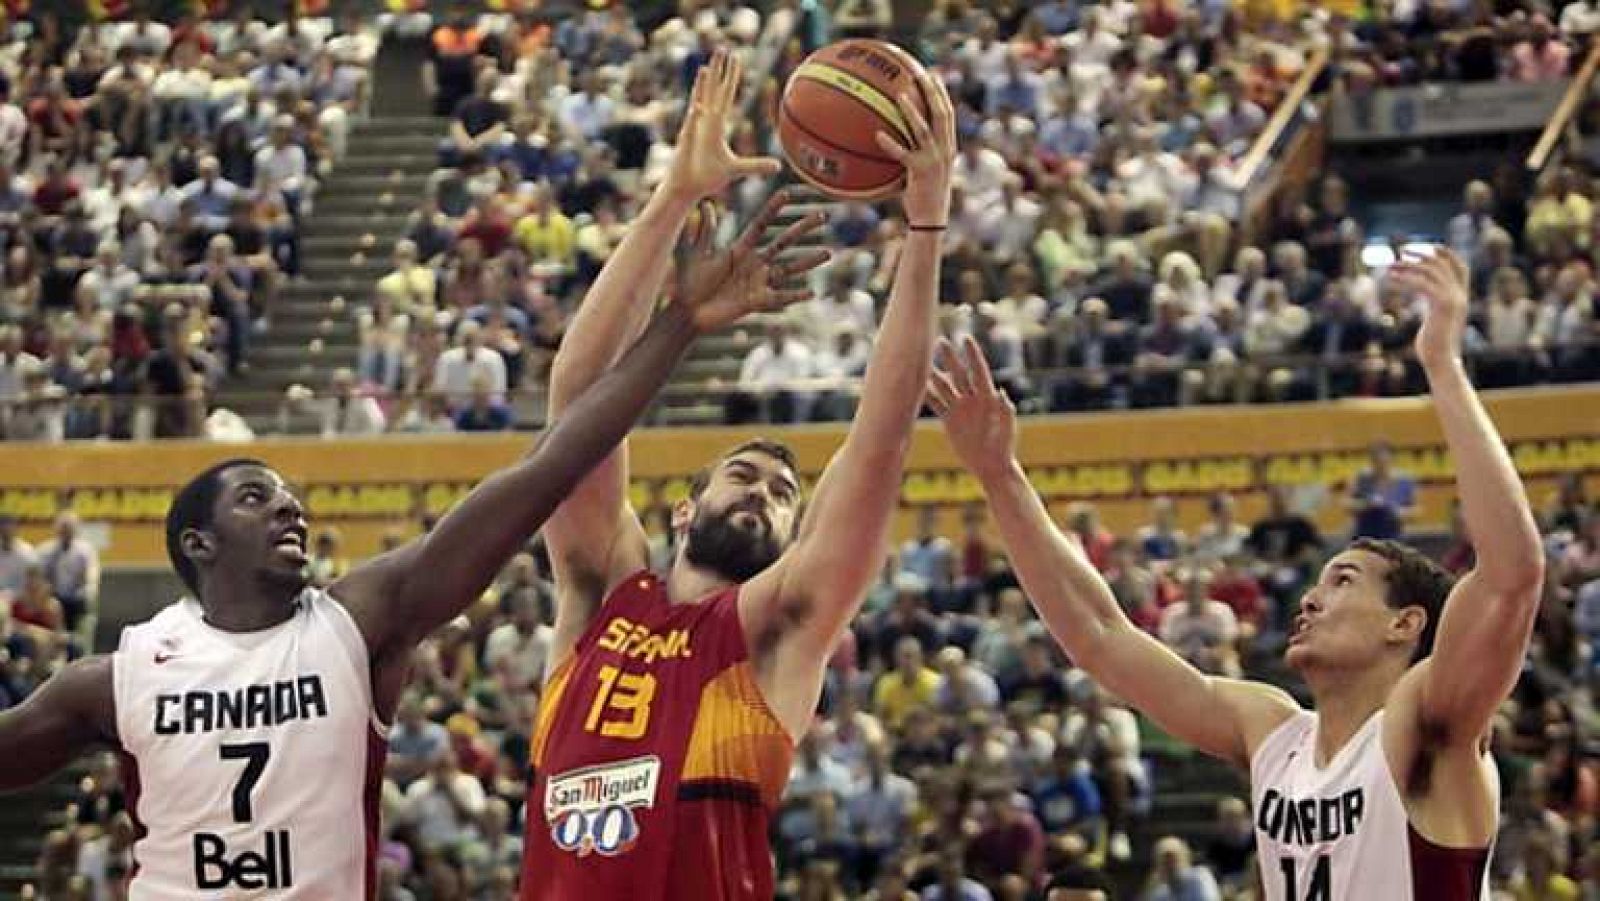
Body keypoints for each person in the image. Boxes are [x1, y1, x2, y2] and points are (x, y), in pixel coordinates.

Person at [0, 121, 815, 898]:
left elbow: (554, 462)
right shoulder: (122, 676)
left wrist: (679, 321)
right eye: (258, 498)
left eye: (292, 498)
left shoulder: (358, 622)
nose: (292, 511)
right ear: (197, 542)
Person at [928, 248, 1544, 901]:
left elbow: (1513, 574)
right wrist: (1000, 477)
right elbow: (1099, 635)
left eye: (1342, 580)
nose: (1309, 598)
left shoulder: (1424, 720)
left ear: (1406, 622)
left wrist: (1442, 367)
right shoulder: (1271, 728)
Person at [519, 52, 954, 900]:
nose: (763, 490)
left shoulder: (781, 628)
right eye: (745, 476)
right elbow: (577, 396)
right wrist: (673, 199)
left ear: (796, 539)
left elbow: (879, 442)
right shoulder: (599, 589)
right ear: (684, 510)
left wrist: (927, 230)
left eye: (785, 495)